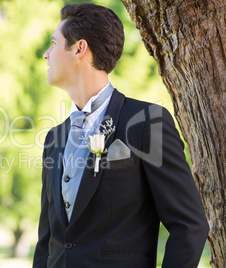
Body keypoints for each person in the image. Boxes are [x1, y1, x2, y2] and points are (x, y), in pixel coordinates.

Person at [33, 3, 209, 268]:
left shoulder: (148, 123)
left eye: (54, 44)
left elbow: (189, 225)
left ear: (79, 49)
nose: (46, 55)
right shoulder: (53, 139)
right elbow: (47, 242)